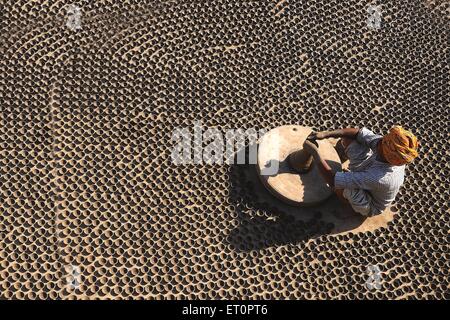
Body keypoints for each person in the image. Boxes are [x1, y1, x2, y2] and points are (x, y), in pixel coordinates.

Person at [303, 126, 419, 218]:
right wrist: (326, 134)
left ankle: (352, 209)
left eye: (382, 143)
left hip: (370, 203)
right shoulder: (386, 146)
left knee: (343, 188)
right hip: (368, 168)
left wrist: (315, 154)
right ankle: (340, 158)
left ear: (387, 156)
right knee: (348, 139)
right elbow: (358, 133)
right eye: (383, 139)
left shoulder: (379, 177)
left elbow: (333, 181)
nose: (379, 141)